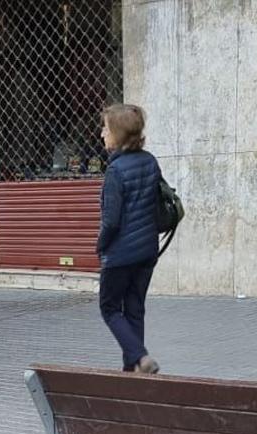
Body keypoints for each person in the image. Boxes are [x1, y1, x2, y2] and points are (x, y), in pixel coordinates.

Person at [96, 104, 161, 374]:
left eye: (106, 129)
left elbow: (111, 220)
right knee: (134, 309)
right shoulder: (150, 161)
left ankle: (139, 356)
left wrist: (100, 245)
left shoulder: (115, 171)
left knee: (110, 308)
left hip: (121, 254)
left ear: (118, 135)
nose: (101, 134)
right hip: (147, 252)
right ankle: (131, 370)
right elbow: (157, 207)